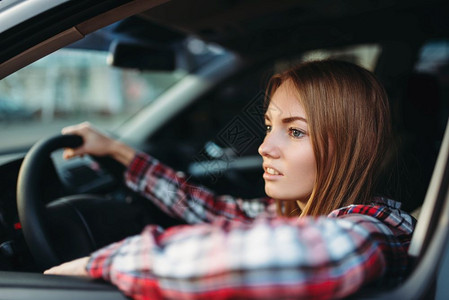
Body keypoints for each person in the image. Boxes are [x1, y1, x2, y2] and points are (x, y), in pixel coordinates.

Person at [44, 60, 416, 300]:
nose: (265, 147)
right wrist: (116, 151)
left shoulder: (375, 226)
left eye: (297, 132)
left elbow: (314, 257)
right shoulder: (297, 213)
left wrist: (103, 263)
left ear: (350, 144)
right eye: (270, 126)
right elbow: (210, 207)